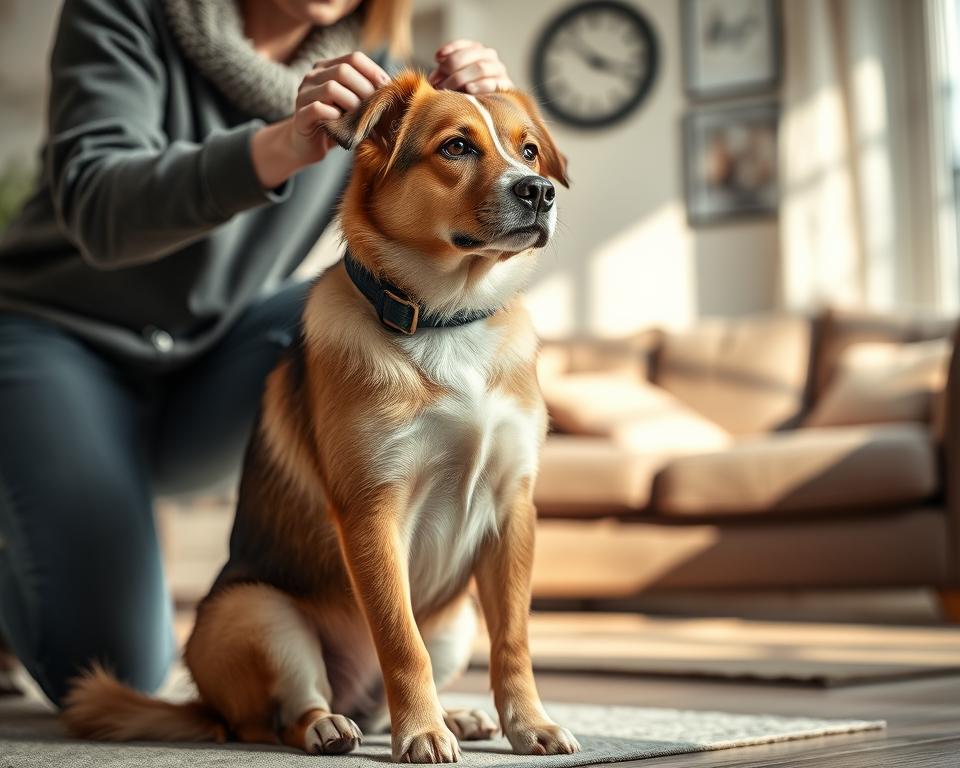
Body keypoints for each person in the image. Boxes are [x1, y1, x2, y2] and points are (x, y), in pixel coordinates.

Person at [0, 0, 515, 706]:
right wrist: (282, 144)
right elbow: (98, 208)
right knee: (114, 671)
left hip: (210, 364)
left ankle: (336, 626)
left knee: (352, 307)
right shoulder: (124, 12)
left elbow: (417, 241)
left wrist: (485, 123)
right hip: (54, 340)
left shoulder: (382, 89)